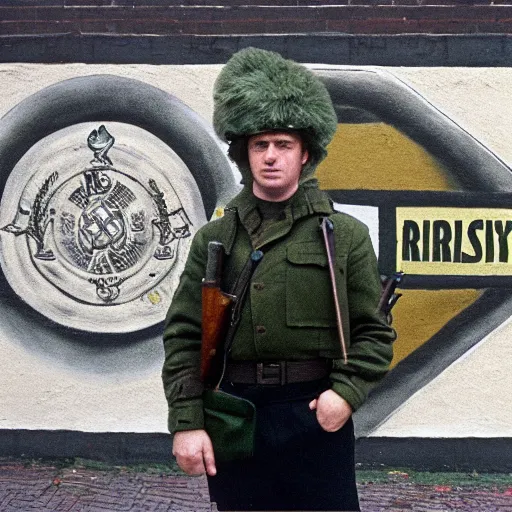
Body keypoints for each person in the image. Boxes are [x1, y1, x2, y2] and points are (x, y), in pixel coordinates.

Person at [162, 47, 396, 511]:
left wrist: (345, 395)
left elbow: (374, 332)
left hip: (315, 415)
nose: (271, 156)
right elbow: (185, 334)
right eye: (259, 144)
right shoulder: (216, 238)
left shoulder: (343, 235)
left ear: (305, 152)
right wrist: (187, 422)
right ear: (243, 154)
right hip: (234, 415)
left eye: (283, 144)